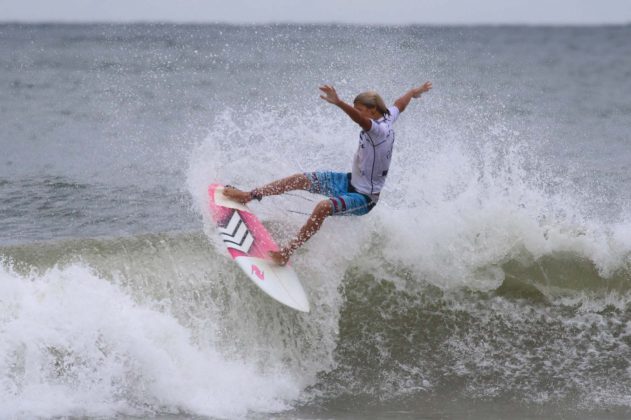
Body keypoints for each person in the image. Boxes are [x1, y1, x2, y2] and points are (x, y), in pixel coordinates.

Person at [224, 82, 432, 265]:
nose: (357, 112)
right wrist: (413, 92)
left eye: (360, 109)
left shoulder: (378, 130)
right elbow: (400, 104)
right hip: (348, 181)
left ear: (372, 110)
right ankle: (248, 196)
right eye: (356, 108)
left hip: (363, 198)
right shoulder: (388, 117)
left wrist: (339, 103)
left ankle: (287, 252)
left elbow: (360, 121)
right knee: (300, 179)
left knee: (323, 207)